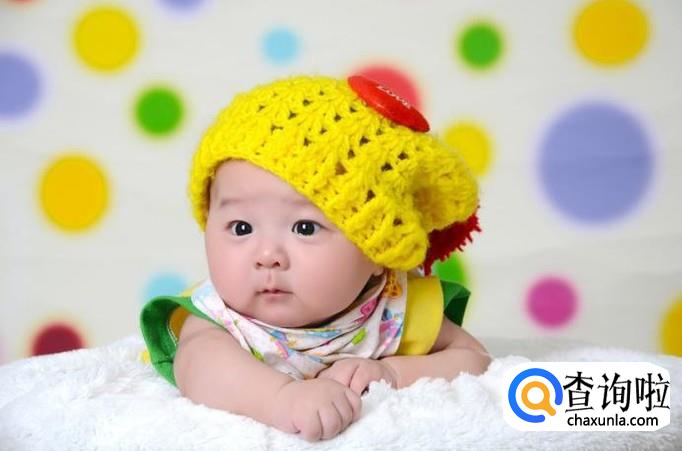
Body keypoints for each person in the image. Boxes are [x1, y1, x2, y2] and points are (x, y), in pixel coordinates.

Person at [140, 74, 492, 442]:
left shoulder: (395, 309)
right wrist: (282, 399)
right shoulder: (219, 320)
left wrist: (394, 374)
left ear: (377, 252)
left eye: (305, 228)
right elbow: (199, 369)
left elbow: (474, 358)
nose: (267, 256)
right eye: (241, 228)